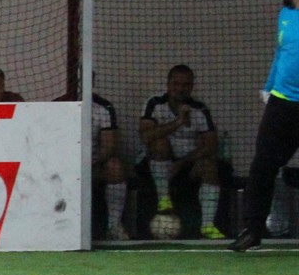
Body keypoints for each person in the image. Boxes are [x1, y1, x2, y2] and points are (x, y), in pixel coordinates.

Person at [234, 0, 299, 251]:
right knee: (263, 165)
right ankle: (253, 230)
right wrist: (269, 87)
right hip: (282, 104)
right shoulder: (285, 15)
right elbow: (281, 54)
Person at [138, 64, 224, 239]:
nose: (180, 89)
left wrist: (182, 162)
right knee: (159, 143)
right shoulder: (154, 104)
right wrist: (178, 122)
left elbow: (211, 145)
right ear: (168, 85)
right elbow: (146, 136)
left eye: (186, 85)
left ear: (191, 87)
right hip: (158, 162)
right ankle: (164, 200)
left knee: (209, 166)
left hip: (187, 163)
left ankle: (207, 225)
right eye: (176, 84)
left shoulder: (200, 109)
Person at [92, 94, 129, 241]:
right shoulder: (58, 104)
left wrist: (93, 163)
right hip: (64, 166)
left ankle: (113, 226)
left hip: (93, 165)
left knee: (115, 167)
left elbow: (109, 146)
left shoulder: (104, 107)